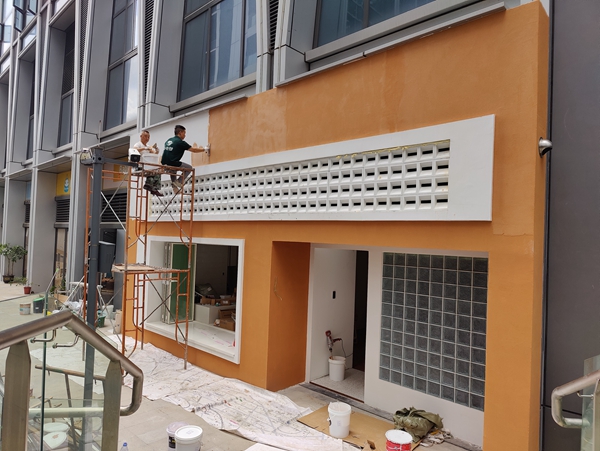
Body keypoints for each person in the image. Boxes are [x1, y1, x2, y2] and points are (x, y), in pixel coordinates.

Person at [161, 125, 205, 191]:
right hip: (172, 162)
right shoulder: (180, 142)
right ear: (180, 132)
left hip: (164, 163)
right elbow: (193, 150)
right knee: (189, 168)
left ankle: (174, 186)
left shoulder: (169, 140)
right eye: (184, 133)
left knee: (173, 169)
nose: (185, 135)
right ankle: (178, 182)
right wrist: (204, 149)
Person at [133, 130, 163, 197]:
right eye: (145, 136)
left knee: (157, 172)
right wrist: (145, 148)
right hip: (140, 166)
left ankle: (154, 188)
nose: (147, 138)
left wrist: (157, 150)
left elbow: (154, 153)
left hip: (148, 166)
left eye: (148, 137)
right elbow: (135, 149)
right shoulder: (138, 144)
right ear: (141, 136)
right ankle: (149, 185)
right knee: (151, 174)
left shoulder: (148, 146)